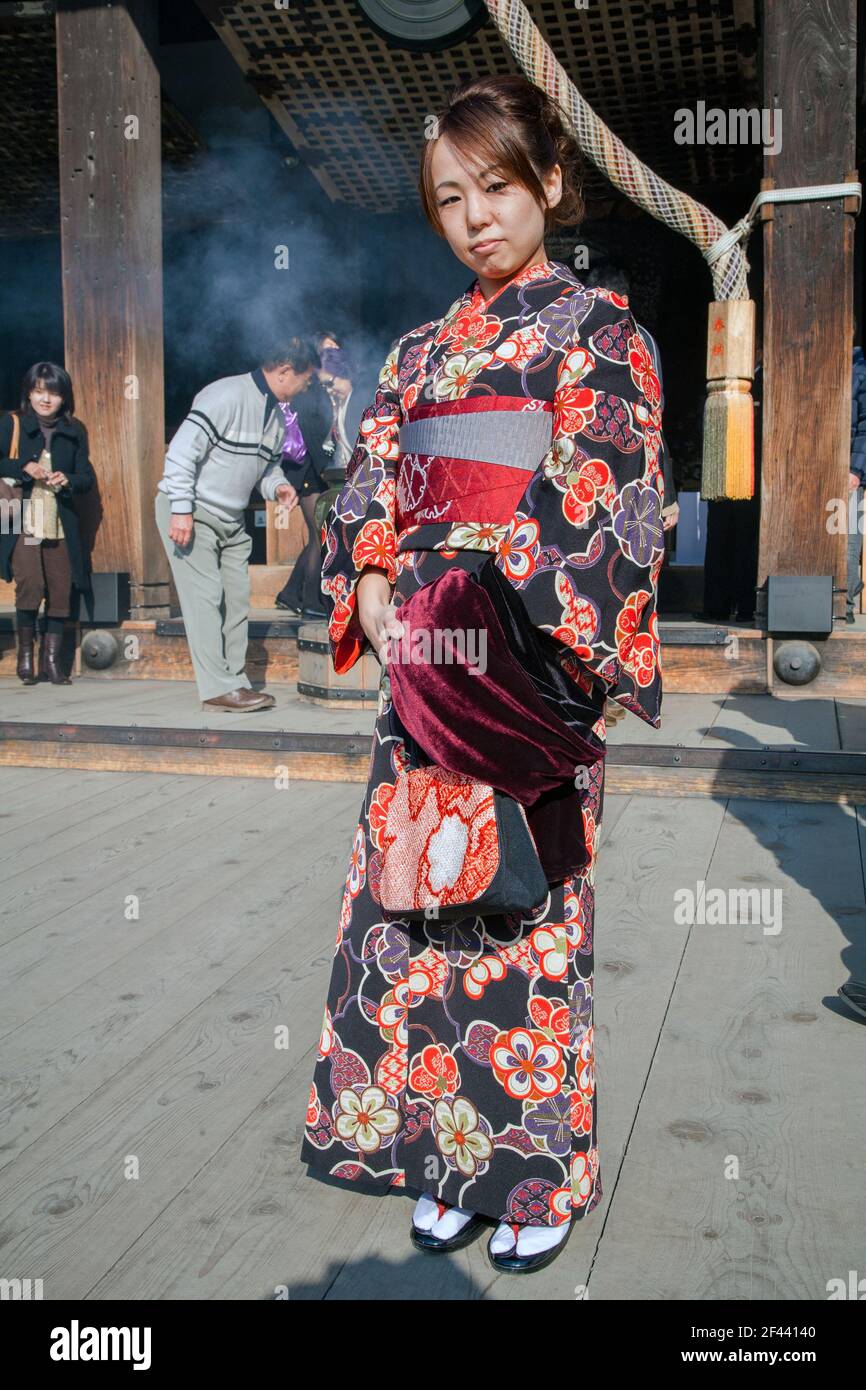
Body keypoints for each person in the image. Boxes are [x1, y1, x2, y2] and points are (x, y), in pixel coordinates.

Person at [300, 74, 664, 1274]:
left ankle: (534, 1175)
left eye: (498, 187)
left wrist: (460, 615)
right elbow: (367, 493)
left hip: (516, 679)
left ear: (550, 183)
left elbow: (596, 513)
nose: (475, 217)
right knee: (419, 912)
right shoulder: (414, 356)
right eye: (449, 198)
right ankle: (447, 1158)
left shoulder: (598, 335)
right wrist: (368, 582)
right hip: (418, 672)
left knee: (521, 925)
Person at [154, 342, 309, 710]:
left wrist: (279, 486)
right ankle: (216, 688)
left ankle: (235, 681)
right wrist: (180, 509)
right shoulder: (224, 395)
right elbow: (180, 452)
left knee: (237, 599)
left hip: (232, 520)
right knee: (205, 599)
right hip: (193, 511)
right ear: (285, 371)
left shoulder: (275, 415)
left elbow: (267, 468)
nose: (306, 387)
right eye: (305, 380)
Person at [0, 362, 94, 684]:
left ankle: (52, 661)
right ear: (29, 392)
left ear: (64, 397)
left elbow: (86, 477)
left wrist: (66, 478)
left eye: (53, 393)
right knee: (30, 582)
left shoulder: (75, 429)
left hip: (57, 517)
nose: (45, 399)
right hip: (22, 517)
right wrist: (25, 465)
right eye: (39, 391)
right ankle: (26, 656)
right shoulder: (13, 423)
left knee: (59, 586)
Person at [275, 331, 350, 620]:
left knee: (317, 535)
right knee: (321, 536)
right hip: (308, 473)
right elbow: (310, 436)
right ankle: (311, 602)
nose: (334, 354)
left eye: (337, 348)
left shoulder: (329, 390)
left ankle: (290, 595)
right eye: (328, 350)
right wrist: (325, 472)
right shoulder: (309, 393)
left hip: (318, 472)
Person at [847, 336, 866, 622]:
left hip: (848, 469)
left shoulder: (859, 369)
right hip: (813, 468)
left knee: (846, 537)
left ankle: (845, 605)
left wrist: (856, 468)